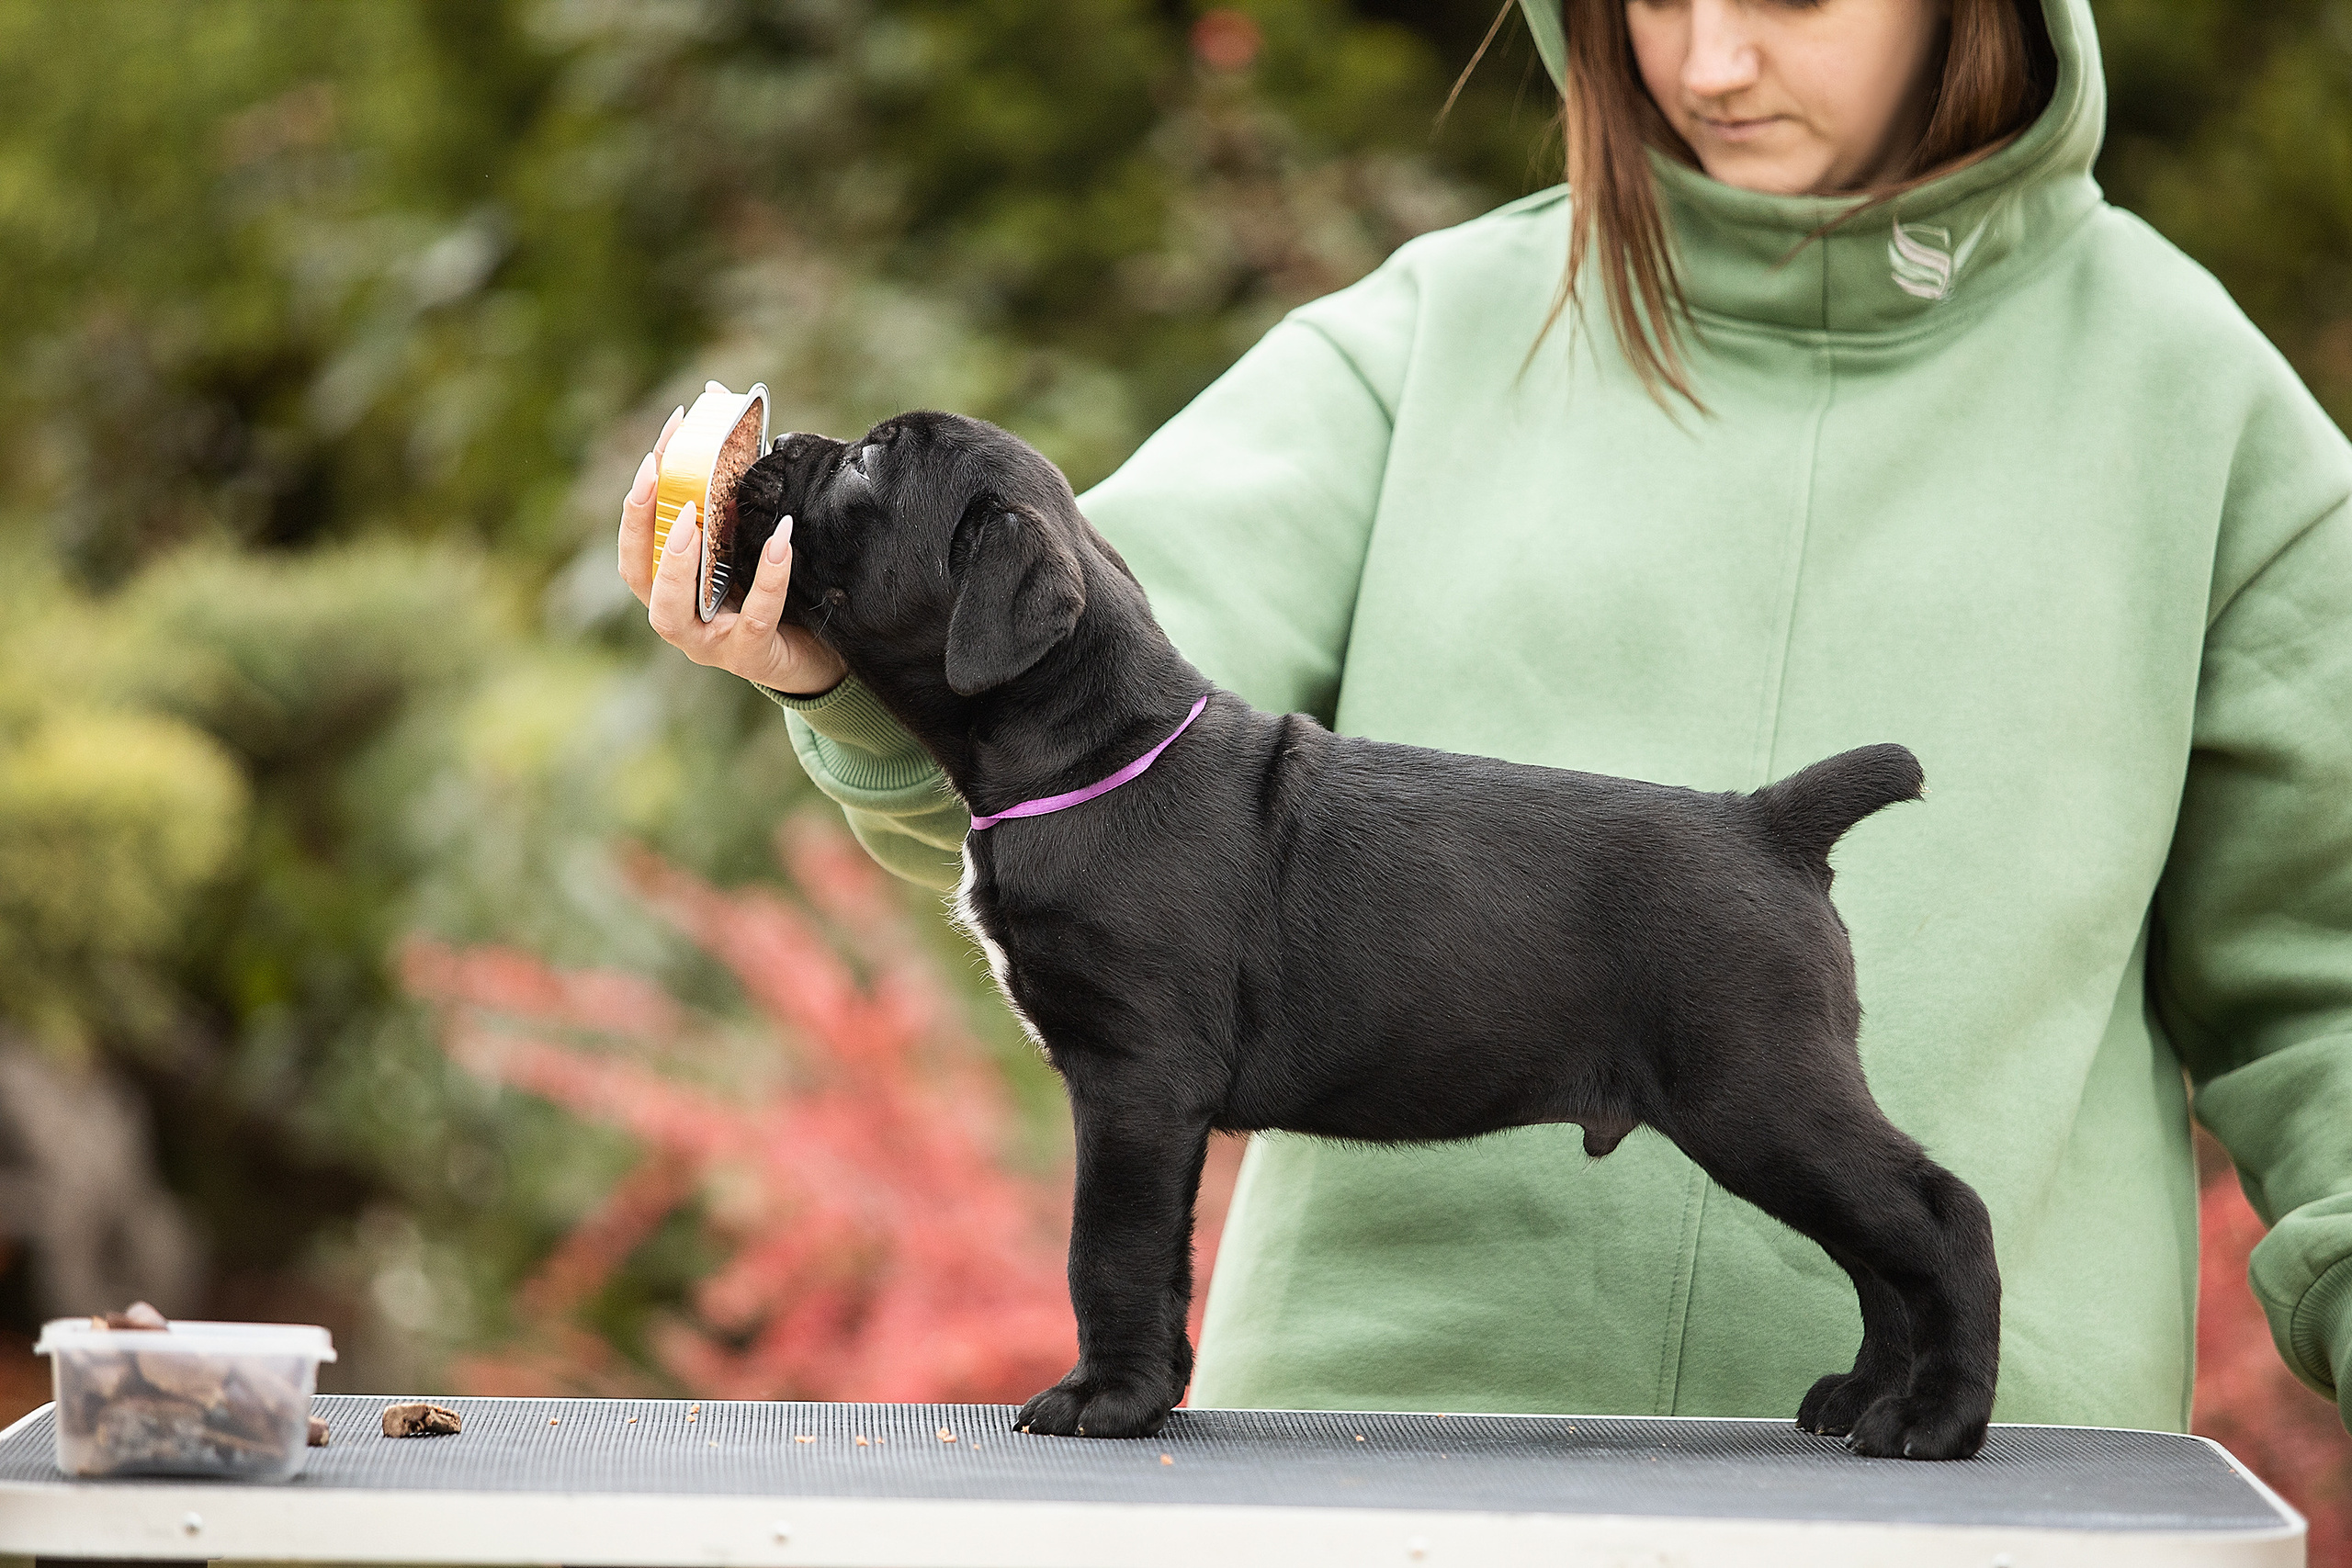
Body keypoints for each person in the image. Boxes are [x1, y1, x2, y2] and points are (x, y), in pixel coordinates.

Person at [620, 0, 2352, 1438]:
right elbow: (1089, 733)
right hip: (1365, 1455)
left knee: (1804, 1133)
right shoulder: (1422, 333)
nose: (1713, 57)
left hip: (1984, 1480)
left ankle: (1935, 1312)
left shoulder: (2201, 403)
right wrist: (829, 657)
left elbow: (2331, 985)